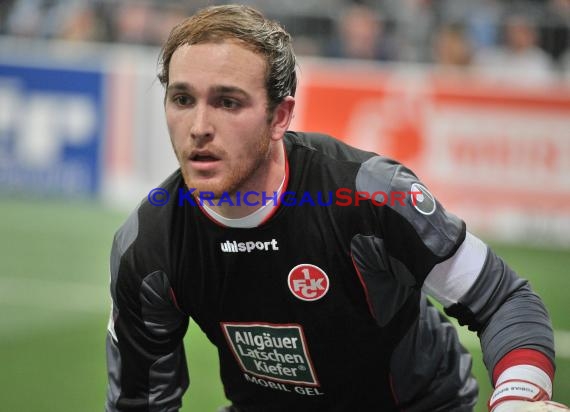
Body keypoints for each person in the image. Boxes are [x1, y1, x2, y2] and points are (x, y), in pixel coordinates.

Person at [105, 5, 568, 412]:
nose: (199, 127)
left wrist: (517, 400)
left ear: (280, 117)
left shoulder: (371, 195)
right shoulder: (148, 247)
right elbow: (139, 403)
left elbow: (503, 298)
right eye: (183, 99)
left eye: (228, 102)